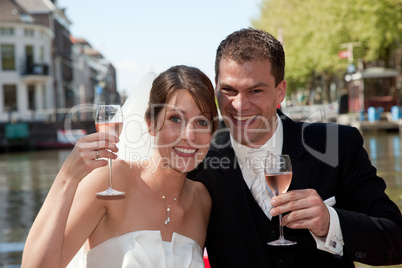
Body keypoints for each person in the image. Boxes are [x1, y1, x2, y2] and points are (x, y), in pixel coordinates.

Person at [188, 28, 402, 267]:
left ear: (280, 91)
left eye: (255, 91)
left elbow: (395, 240)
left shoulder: (339, 145)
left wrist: (330, 223)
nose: (239, 105)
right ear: (216, 86)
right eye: (228, 90)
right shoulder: (197, 160)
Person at [21, 65, 219, 268]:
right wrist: (67, 177)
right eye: (175, 119)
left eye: (202, 122)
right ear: (150, 124)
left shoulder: (202, 202)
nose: (189, 136)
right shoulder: (111, 181)